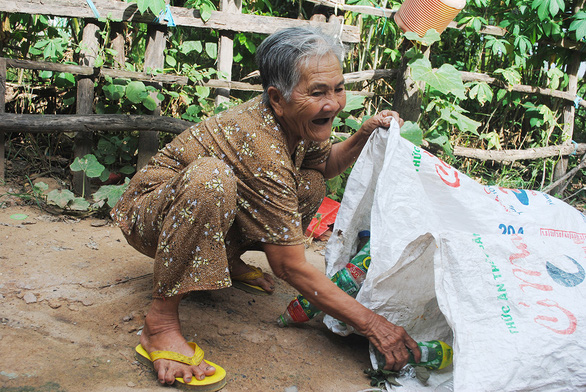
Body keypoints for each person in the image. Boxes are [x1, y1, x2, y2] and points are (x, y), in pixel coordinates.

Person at [111, 26, 419, 389]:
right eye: (317, 92)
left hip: (198, 207)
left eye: (338, 88)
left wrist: (363, 134)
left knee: (310, 184)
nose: (334, 103)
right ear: (277, 98)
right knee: (212, 179)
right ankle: (159, 324)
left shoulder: (294, 121)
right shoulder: (259, 142)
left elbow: (324, 166)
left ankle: (225, 260)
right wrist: (374, 325)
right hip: (150, 217)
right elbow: (288, 265)